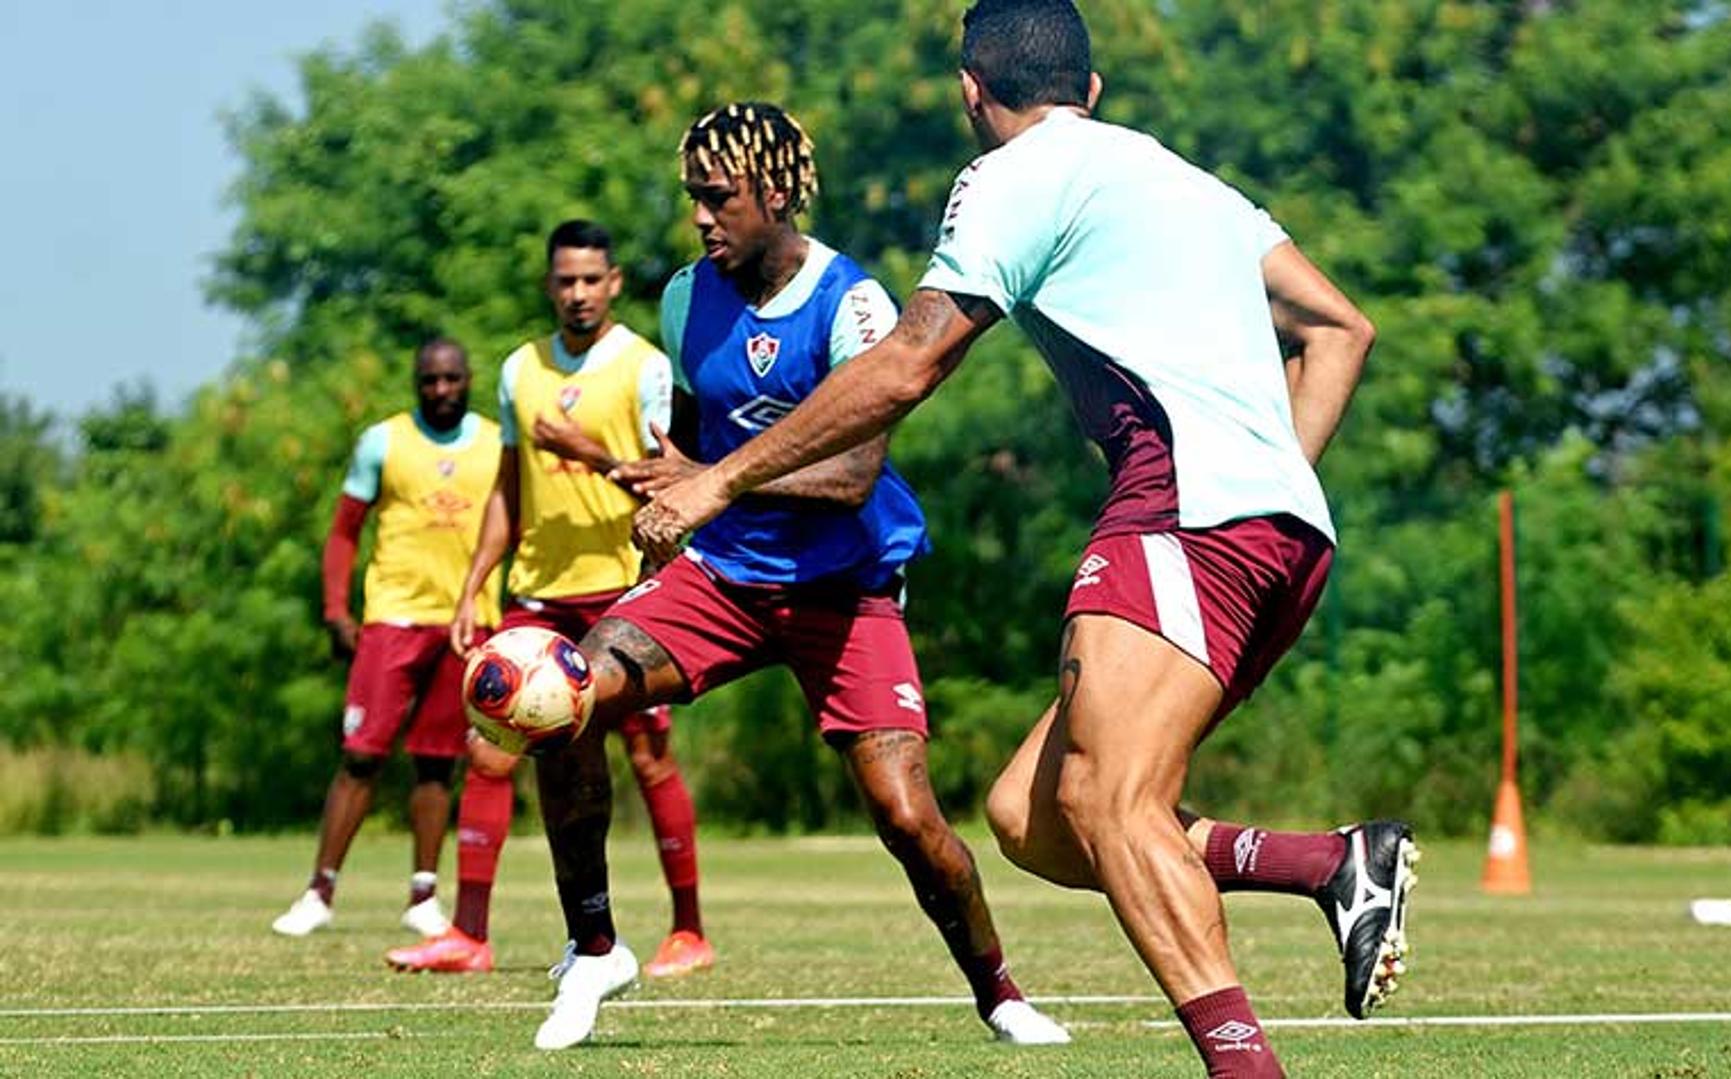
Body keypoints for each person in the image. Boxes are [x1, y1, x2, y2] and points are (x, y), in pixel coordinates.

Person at [628, 5, 1412, 1077]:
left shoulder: (1009, 178)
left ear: (970, 90)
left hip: (1182, 509)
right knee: (1039, 814)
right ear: (1089, 90)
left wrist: (715, 480)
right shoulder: (1187, 179)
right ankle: (1332, 862)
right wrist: (1271, 480)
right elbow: (1340, 328)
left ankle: (1246, 1067)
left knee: (1119, 803)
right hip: (1281, 532)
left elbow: (909, 361)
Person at [520, 102, 1070, 1053]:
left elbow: (854, 475)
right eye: (693, 197)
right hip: (723, 577)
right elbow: (691, 441)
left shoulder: (854, 304)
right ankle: (595, 943)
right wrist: (665, 498)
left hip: (844, 588)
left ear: (774, 194)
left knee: (906, 814)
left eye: (717, 197)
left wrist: (707, 483)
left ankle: (1001, 992)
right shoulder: (690, 295)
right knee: (564, 695)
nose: (699, 217)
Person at [382, 220, 713, 980]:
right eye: (565, 280)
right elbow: (508, 490)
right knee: (490, 747)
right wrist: (475, 586)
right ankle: (469, 934)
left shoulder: (644, 368)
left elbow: (672, 480)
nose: (577, 293)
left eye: (591, 279)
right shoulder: (517, 369)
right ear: (549, 285)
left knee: (647, 753)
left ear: (615, 283)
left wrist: (587, 452)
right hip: (537, 591)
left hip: (620, 585)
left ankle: (688, 929)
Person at [272, 339, 500, 941]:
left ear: (468, 379)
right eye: (430, 380)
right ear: (416, 382)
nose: (441, 390)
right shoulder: (384, 440)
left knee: (437, 762)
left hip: (465, 622)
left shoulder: (495, 442)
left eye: (452, 379)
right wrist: (334, 609)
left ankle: (423, 895)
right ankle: (319, 891)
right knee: (361, 754)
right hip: (393, 616)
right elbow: (345, 531)